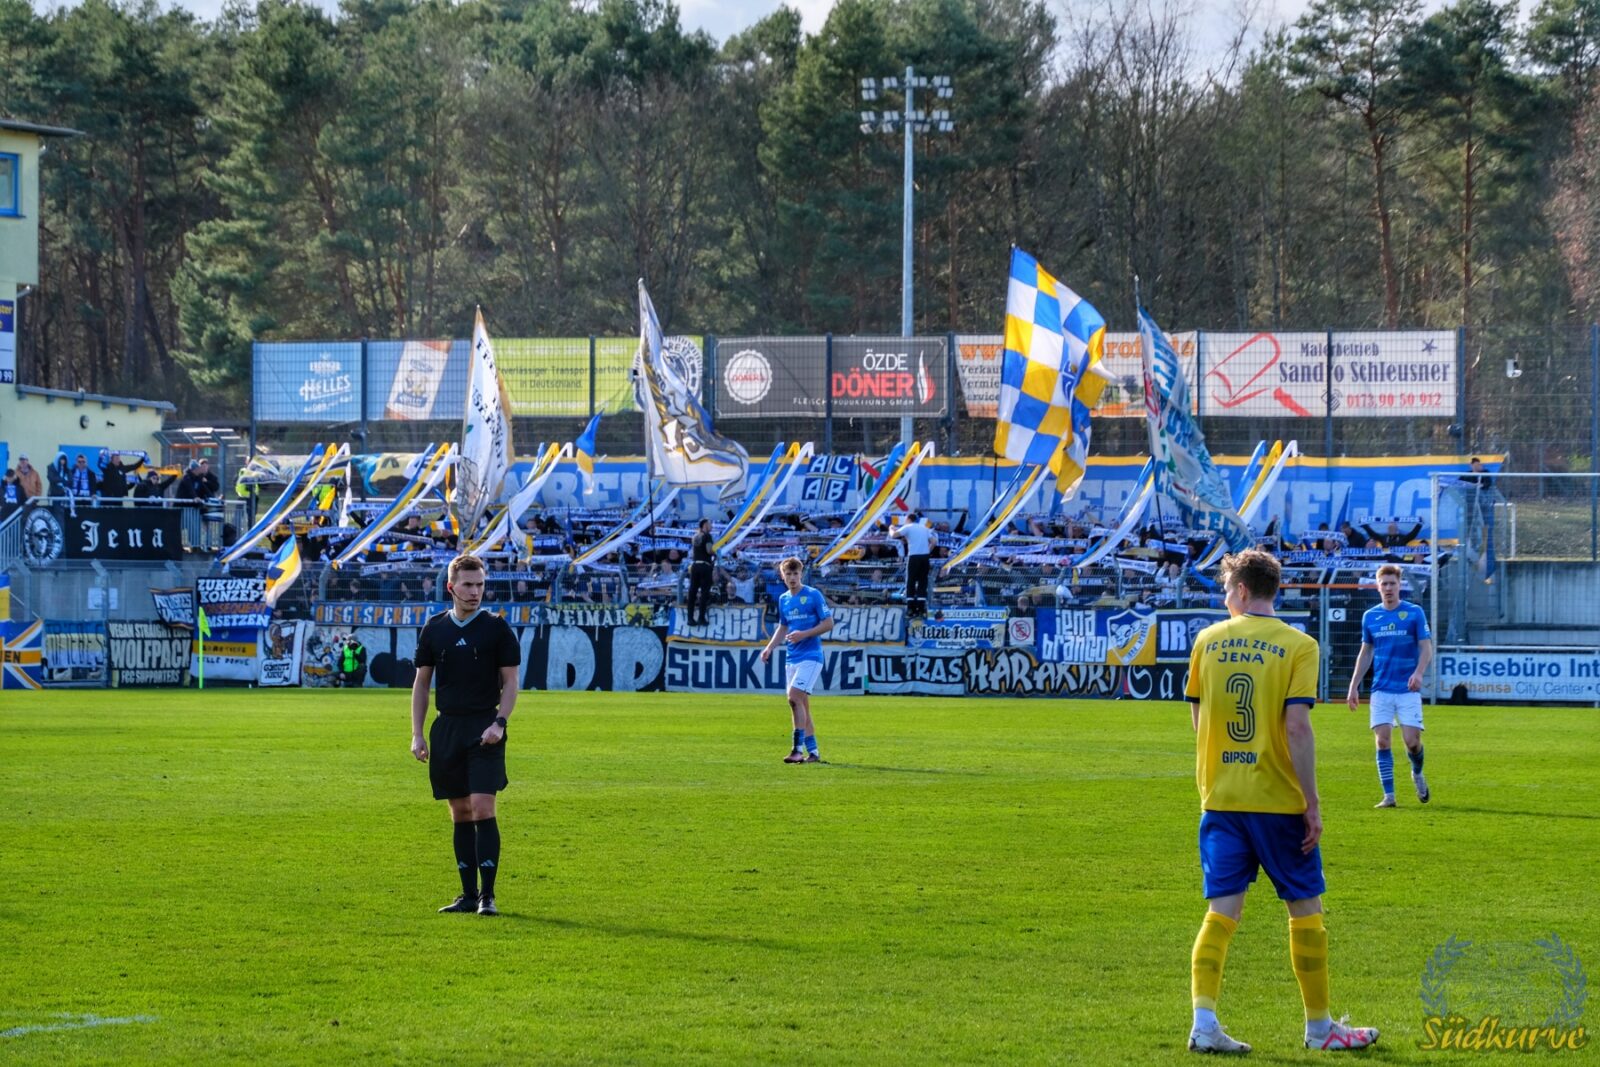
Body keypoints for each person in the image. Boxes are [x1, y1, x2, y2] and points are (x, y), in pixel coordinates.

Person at [1183, 549, 1378, 1054]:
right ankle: (1319, 1028)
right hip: (1276, 801)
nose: (1226, 598)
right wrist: (1311, 801)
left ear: (1242, 590)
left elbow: (1199, 719)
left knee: (1221, 913)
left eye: (1227, 589)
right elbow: (1297, 726)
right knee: (1305, 910)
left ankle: (1204, 1023)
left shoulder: (1206, 641)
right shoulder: (1299, 644)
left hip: (1221, 799)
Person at [411, 554, 522, 917]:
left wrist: (500, 723)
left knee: (482, 807)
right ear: (451, 587)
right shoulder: (434, 629)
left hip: (485, 728)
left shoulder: (497, 629)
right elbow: (422, 684)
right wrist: (417, 734)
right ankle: (467, 895)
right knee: (459, 813)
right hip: (447, 729)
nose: (476, 592)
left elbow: (510, 683)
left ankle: (488, 897)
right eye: (468, 585)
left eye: (480, 585)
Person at [1345, 563, 1434, 808]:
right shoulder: (1370, 616)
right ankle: (1389, 796)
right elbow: (1366, 652)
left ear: (1399, 585)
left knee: (1412, 742)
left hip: (1407, 689)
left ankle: (1417, 772)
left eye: (1392, 583)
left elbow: (1426, 647)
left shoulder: (1414, 613)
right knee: (1382, 741)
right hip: (1380, 689)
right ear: (1377, 587)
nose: (1388, 588)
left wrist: (1418, 673)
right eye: (1383, 584)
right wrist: (1354, 686)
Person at [760, 556, 834, 764]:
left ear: (801, 574)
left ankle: (796, 750)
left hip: (811, 657)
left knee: (793, 698)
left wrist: (804, 634)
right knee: (801, 705)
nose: (792, 577)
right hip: (792, 658)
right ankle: (814, 752)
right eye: (788, 574)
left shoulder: (812, 595)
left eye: (795, 573)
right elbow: (783, 626)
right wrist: (769, 648)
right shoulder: (783, 599)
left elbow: (828, 623)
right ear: (782, 576)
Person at [889, 513, 935, 618]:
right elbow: (934, 541)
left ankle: (910, 608)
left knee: (911, 581)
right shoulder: (924, 528)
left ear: (908, 519)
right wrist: (927, 550)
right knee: (923, 581)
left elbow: (893, 535)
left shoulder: (908, 526)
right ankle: (921, 608)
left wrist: (891, 528)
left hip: (913, 556)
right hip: (924, 557)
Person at [687, 517, 716, 626]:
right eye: (710, 524)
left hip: (695, 566)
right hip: (705, 566)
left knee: (692, 592)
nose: (711, 526)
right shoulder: (707, 536)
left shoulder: (695, 536)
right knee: (704, 593)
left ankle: (690, 619)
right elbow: (709, 550)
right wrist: (716, 552)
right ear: (705, 525)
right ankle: (701, 618)